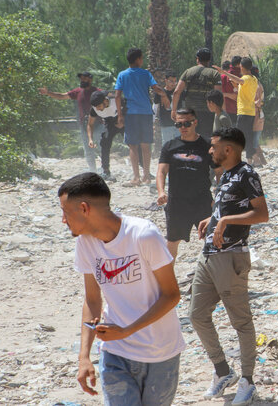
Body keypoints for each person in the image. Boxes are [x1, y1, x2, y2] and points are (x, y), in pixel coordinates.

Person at [59, 172, 184, 405]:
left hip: (161, 353)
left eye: (65, 213)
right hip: (116, 353)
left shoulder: (143, 234)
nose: (63, 220)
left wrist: (127, 330)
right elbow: (92, 299)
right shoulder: (85, 243)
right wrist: (84, 357)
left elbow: (171, 295)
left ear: (84, 208)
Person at [190, 127, 268, 405]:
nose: (210, 150)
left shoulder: (247, 174)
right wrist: (211, 220)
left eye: (214, 146)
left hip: (231, 256)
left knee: (241, 322)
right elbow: (225, 208)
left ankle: (247, 381)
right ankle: (223, 371)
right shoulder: (224, 175)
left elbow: (262, 214)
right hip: (209, 254)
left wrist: (225, 222)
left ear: (229, 150)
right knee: (197, 315)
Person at [156, 108, 215, 261]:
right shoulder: (169, 146)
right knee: (172, 243)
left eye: (187, 123)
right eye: (179, 124)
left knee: (212, 241)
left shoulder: (207, 145)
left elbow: (221, 172)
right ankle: (167, 282)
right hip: (177, 203)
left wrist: (220, 196)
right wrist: (161, 192)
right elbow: (161, 172)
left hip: (202, 201)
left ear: (195, 122)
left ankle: (214, 280)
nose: (183, 127)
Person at [115, 48, 169, 186]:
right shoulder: (146, 73)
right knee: (146, 145)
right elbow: (156, 88)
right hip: (145, 112)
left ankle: (136, 178)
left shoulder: (122, 75)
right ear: (138, 59)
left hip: (131, 113)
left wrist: (120, 115)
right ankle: (146, 176)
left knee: (133, 146)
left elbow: (117, 96)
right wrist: (164, 95)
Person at [39, 71, 100, 173]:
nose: (82, 80)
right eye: (81, 79)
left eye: (84, 78)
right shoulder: (78, 92)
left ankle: (105, 170)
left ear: (90, 79)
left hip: (98, 124)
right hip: (84, 125)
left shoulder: (97, 92)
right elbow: (62, 96)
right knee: (88, 151)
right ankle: (93, 172)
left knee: (102, 147)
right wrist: (48, 93)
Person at [214, 57, 259, 162]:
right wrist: (235, 85)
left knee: (236, 136)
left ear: (241, 67)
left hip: (243, 112)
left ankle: (234, 158)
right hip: (251, 112)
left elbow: (240, 80)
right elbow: (242, 88)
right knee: (248, 135)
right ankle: (250, 160)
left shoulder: (246, 78)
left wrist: (223, 72)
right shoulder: (254, 79)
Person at [173, 48, 222, 140]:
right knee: (206, 138)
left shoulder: (188, 72)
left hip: (190, 112)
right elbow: (217, 95)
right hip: (208, 112)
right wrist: (220, 112)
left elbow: (176, 92)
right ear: (209, 60)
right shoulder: (214, 74)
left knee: (190, 137)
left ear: (197, 59)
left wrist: (173, 110)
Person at [87, 91, 125, 182]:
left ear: (105, 101)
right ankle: (106, 171)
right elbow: (90, 124)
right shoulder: (94, 109)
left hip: (123, 119)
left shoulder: (116, 101)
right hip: (109, 122)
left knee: (133, 142)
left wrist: (123, 121)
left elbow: (130, 108)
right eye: (96, 107)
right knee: (104, 142)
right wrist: (90, 139)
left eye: (99, 106)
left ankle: (144, 168)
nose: (98, 109)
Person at [155, 71, 178, 146]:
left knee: (178, 145)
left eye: (175, 81)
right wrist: (154, 118)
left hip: (178, 124)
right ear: (166, 81)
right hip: (166, 123)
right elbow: (155, 106)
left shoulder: (178, 92)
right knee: (167, 145)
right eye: (171, 81)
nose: (173, 83)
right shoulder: (160, 92)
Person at [250, 65, 267, 167]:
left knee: (253, 140)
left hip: (255, 114)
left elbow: (257, 101)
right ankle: (262, 161)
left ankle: (257, 161)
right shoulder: (259, 84)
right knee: (255, 140)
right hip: (259, 114)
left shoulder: (255, 85)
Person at [221, 56, 242, 125]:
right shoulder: (242, 78)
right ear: (238, 65)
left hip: (227, 110)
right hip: (240, 110)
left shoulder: (224, 76)